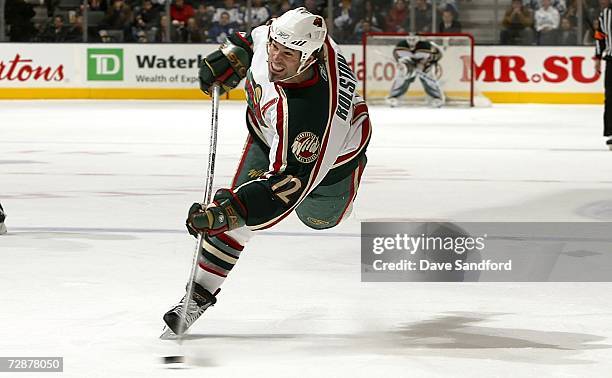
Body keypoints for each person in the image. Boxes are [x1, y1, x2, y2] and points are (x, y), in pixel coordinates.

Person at [162, 7, 371, 336]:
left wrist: (231, 211)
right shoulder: (281, 38)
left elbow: (285, 188)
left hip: (329, 163)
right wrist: (235, 52)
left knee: (317, 218)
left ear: (309, 58)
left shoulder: (313, 117)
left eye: (287, 54)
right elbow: (256, 37)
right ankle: (197, 297)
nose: (275, 58)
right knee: (232, 219)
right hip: (271, 136)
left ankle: (338, 200)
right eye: (275, 46)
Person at [386, 36, 445, 107]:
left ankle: (436, 98)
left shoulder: (427, 46)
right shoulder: (401, 46)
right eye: (410, 39)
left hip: (424, 65)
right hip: (408, 64)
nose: (412, 42)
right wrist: (402, 65)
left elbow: (437, 56)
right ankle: (394, 97)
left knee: (429, 79)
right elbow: (397, 57)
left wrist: (425, 64)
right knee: (402, 77)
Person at [595, 0, 612, 149]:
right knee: (611, 98)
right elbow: (599, 36)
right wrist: (598, 58)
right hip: (611, 61)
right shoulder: (605, 14)